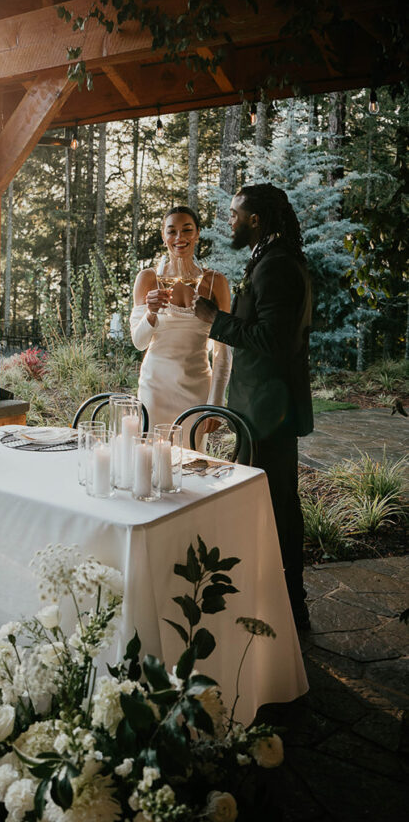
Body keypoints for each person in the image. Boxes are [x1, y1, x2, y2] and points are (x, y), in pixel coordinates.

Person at [193, 183, 313, 629]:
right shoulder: (272, 256)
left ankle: (287, 605)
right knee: (274, 501)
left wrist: (214, 319)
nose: (230, 220)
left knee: (275, 506)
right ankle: (283, 600)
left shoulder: (278, 266)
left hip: (269, 410)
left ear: (255, 219)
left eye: (234, 213)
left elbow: (273, 340)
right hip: (262, 408)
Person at [130, 205, 232, 445]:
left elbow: (223, 349)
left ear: (197, 234)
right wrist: (151, 314)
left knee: (192, 463)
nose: (179, 238)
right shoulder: (148, 279)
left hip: (196, 389)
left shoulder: (216, 282)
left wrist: (216, 402)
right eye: (172, 231)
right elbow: (139, 342)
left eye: (187, 230)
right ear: (163, 235)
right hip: (154, 387)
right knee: (152, 459)